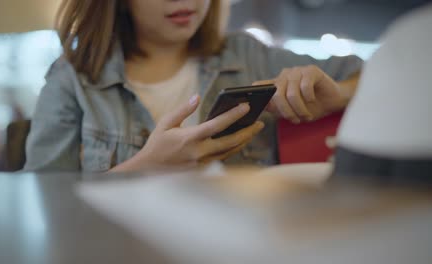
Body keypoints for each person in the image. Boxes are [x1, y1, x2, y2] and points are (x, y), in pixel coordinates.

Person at [24, 0, 362, 172]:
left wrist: (339, 94)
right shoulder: (73, 77)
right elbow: (43, 201)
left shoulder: (247, 54)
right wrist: (141, 170)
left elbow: (381, 74)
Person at [333, 4, 432, 181]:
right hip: (358, 158)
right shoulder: (409, 32)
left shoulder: (407, 31)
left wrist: (341, 92)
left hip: (356, 161)